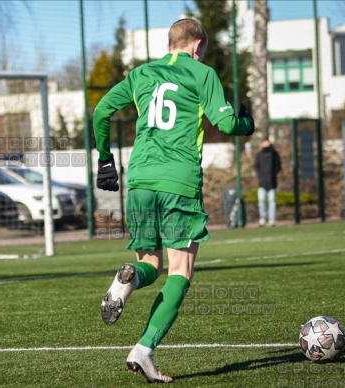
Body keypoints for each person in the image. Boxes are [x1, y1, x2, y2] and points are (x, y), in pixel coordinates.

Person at [94, 18, 255, 383]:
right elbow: (227, 125)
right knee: (180, 272)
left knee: (150, 263)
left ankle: (131, 277)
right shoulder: (202, 73)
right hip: (178, 183)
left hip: (140, 182)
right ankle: (144, 349)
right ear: (197, 46)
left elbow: (102, 110)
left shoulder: (141, 74)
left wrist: (105, 158)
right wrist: (247, 123)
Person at [254, 138, 281, 227]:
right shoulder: (259, 155)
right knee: (261, 201)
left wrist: (273, 175)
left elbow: (278, 166)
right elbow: (256, 167)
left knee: (272, 201)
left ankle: (272, 220)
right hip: (262, 183)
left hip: (272, 183)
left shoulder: (274, 154)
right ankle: (262, 219)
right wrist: (261, 176)